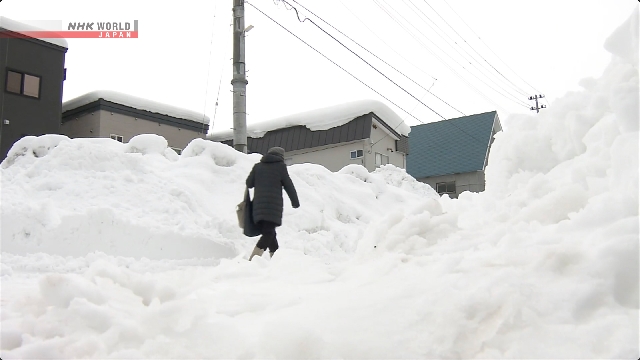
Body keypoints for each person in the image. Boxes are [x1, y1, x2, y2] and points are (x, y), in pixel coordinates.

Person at [246, 146, 300, 260]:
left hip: (258, 208)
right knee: (269, 233)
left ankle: (275, 258)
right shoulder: (280, 167)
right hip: (273, 208)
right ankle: (253, 259)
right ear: (281, 157)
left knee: (270, 232)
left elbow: (249, 183)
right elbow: (288, 185)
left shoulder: (258, 167)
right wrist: (295, 202)